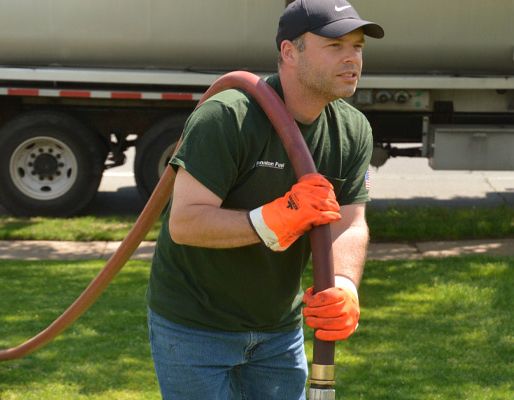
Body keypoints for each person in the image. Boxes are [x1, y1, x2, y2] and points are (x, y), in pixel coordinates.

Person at [146, 0, 384, 399]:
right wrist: (273, 220)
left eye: (357, 47)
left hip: (278, 330)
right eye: (335, 45)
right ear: (289, 52)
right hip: (194, 325)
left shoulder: (352, 128)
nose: (352, 58)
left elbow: (350, 222)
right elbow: (184, 223)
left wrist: (344, 286)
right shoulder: (227, 117)